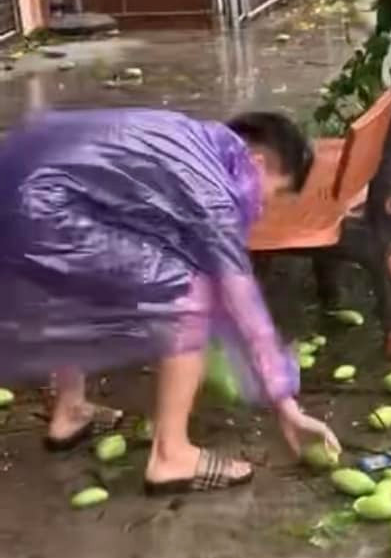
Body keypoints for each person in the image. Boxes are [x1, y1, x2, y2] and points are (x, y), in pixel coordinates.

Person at [0, 105, 340, 494]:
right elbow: (239, 303)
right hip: (42, 212)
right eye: (274, 193)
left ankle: (71, 410)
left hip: (15, 192)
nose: (263, 208)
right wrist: (286, 404)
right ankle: (171, 455)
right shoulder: (212, 187)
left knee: (74, 277)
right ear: (257, 162)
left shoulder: (187, 139)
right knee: (190, 293)